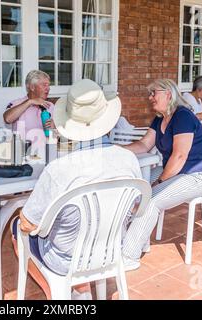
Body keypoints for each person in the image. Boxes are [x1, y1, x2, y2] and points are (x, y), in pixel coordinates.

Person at [9, 79, 142, 300]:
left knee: (17, 228)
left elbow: (29, 223)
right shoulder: (128, 159)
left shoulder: (59, 170)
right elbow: (135, 206)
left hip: (65, 259)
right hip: (111, 250)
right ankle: (82, 293)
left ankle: (55, 293)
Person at [121, 78, 202, 266]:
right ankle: (139, 241)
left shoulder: (183, 116)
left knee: (151, 201)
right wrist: (116, 149)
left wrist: (159, 182)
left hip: (197, 175)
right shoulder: (160, 119)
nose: (150, 97)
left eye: (153, 93)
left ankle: (128, 257)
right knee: (134, 192)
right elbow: (144, 144)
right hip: (174, 171)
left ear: (168, 94)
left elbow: (180, 156)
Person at [3, 70, 56, 140]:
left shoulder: (50, 106)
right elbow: (7, 119)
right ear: (32, 87)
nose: (48, 88)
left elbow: (58, 134)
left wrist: (54, 127)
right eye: (44, 85)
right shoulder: (17, 103)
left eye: (49, 85)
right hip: (23, 148)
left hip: (45, 147)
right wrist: (30, 102)